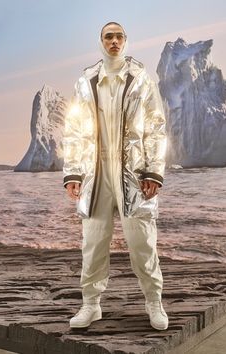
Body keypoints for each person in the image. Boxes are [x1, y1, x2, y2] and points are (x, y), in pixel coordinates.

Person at [63, 21, 168, 331]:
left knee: (143, 243)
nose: (114, 41)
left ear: (126, 41)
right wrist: (73, 172)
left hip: (133, 176)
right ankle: (91, 305)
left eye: (119, 36)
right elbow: (74, 129)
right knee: (93, 244)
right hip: (96, 176)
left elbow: (156, 126)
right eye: (108, 36)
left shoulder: (140, 80)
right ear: (101, 41)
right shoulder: (86, 81)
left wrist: (153, 172)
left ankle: (154, 302)